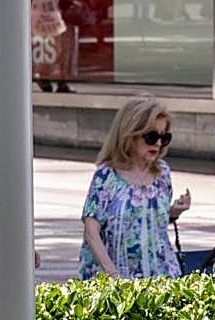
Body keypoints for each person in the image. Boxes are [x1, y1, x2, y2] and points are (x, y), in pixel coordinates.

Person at [78, 96, 191, 279]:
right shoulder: (107, 176)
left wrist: (173, 212)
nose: (158, 143)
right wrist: (114, 276)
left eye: (164, 137)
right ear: (129, 135)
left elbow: (148, 222)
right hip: (117, 282)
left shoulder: (162, 173)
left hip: (162, 278)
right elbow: (91, 231)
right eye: (151, 137)